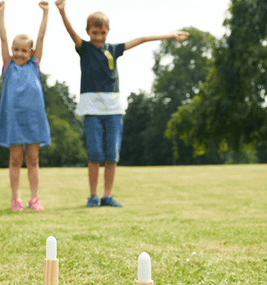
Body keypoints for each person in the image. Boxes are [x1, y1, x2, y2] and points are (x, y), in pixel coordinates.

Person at [55, 0, 189, 207]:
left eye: (102, 33)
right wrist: (62, 10)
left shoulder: (114, 49)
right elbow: (70, 32)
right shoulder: (85, 49)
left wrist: (171, 35)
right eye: (94, 33)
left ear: (108, 31)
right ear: (88, 32)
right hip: (92, 110)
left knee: (111, 155)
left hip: (114, 110)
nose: (98, 38)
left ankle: (107, 196)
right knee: (95, 155)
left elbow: (143, 39)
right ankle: (93, 196)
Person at [0, 1, 51, 212]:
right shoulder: (8, 65)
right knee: (15, 159)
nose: (18, 54)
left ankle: (34, 199)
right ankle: (15, 198)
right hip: (14, 121)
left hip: (34, 120)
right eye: (15, 50)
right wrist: (1, 13)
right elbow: (3, 38)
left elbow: (42, 36)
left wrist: (45, 13)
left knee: (33, 159)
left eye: (23, 51)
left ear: (31, 51)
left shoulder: (35, 64)